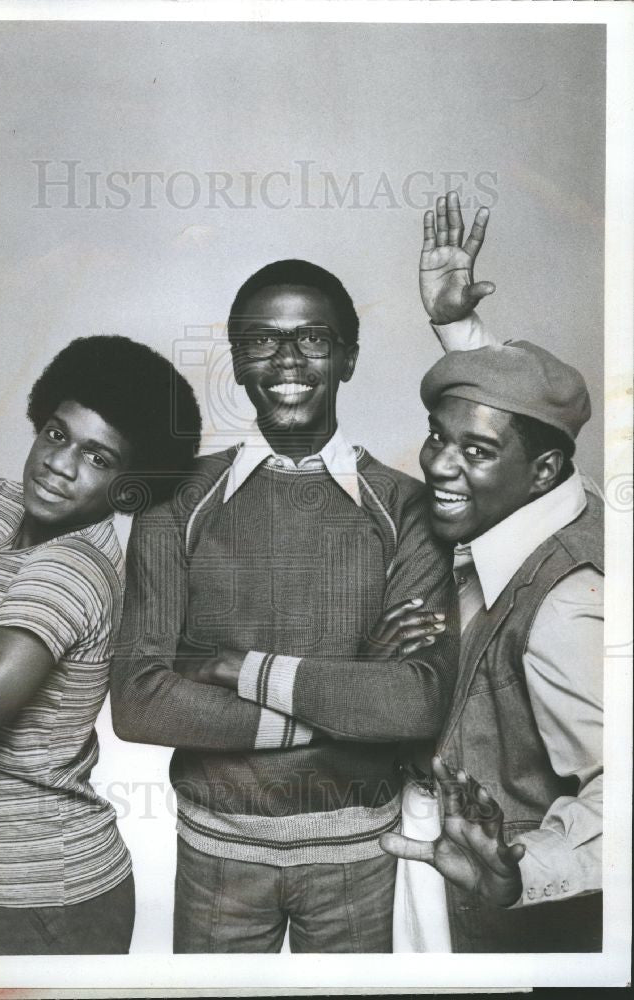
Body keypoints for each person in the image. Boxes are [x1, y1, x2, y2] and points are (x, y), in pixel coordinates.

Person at [105, 244, 485, 952]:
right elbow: (137, 702)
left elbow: (413, 703)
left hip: (359, 856)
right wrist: (345, 700)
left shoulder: (407, 508)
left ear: (347, 357)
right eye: (261, 340)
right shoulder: (175, 501)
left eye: (312, 337)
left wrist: (227, 665)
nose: (286, 358)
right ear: (236, 359)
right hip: (218, 855)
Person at [0, 335, 202, 955]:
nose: (59, 465)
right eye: (59, 436)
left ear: (127, 487)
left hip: (51, 898)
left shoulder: (73, 571)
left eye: (97, 457)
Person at [378, 206, 603, 952]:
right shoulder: (556, 498)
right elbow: (521, 416)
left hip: (514, 920)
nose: (438, 466)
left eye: (472, 453)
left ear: (540, 471)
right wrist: (460, 335)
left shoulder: (565, 605)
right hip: (437, 876)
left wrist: (525, 871)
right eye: (437, 439)